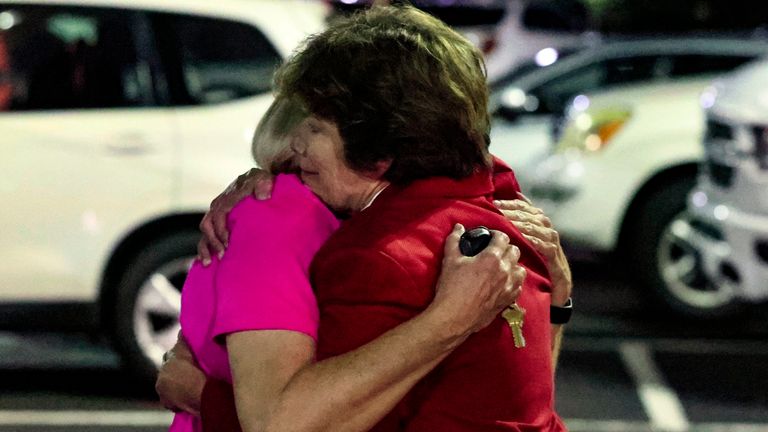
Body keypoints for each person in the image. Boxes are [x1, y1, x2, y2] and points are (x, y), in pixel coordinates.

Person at [160, 5, 573, 431]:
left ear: (378, 150)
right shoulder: (498, 214)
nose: (296, 142)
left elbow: (298, 425)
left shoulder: (380, 257)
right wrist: (559, 303)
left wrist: (203, 397)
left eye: (316, 126)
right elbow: (525, 410)